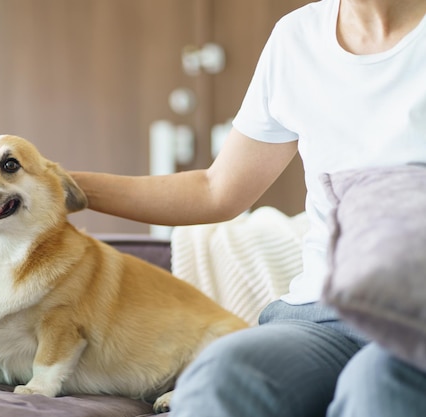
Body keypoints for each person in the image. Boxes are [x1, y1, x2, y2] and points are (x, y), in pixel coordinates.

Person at [71, 0, 426, 416]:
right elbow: (215, 190)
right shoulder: (297, 38)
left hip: (415, 314)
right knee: (224, 372)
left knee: (377, 386)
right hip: (321, 315)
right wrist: (62, 186)